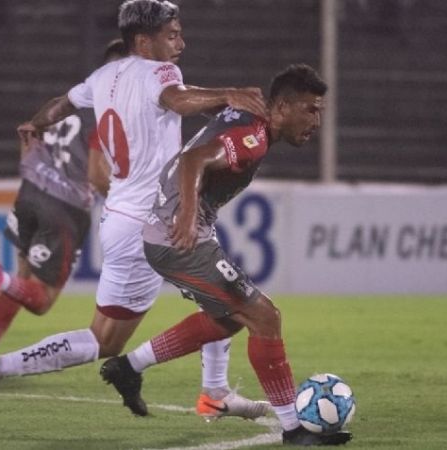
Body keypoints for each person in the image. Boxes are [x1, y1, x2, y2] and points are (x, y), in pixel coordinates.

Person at [0, 0, 270, 428]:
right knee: (230, 301)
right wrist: (226, 94)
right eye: (172, 34)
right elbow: (178, 100)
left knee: (106, 337)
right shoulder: (161, 72)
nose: (181, 41)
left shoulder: (103, 76)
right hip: (154, 219)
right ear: (145, 40)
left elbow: (58, 106)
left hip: (120, 219)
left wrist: (34, 124)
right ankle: (212, 392)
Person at [100, 64, 352, 446]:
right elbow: (193, 159)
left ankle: (128, 367)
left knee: (229, 318)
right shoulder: (253, 136)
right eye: (310, 110)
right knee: (265, 317)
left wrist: (223, 94)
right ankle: (293, 428)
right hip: (177, 237)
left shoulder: (247, 111)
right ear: (281, 107)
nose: (317, 121)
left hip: (177, 230)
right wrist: (185, 215)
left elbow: (211, 119)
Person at [0, 39, 127, 362]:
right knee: (42, 300)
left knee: (22, 284)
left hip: (30, 192)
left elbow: (30, 135)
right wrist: (125, 202)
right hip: (63, 209)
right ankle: (0, 279)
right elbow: (95, 174)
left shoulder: (72, 100)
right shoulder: (107, 109)